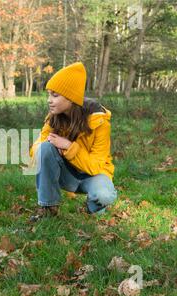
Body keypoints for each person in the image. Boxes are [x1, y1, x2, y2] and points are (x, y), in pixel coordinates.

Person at [29, 62, 117, 222]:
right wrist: (50, 150)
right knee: (44, 148)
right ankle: (48, 208)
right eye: (48, 94)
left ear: (71, 98)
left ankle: (94, 206)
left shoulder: (100, 122)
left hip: (92, 177)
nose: (49, 100)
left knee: (105, 195)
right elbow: (35, 150)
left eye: (55, 95)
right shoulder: (53, 118)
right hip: (66, 175)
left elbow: (97, 166)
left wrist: (69, 147)